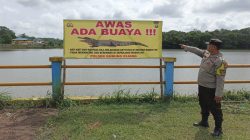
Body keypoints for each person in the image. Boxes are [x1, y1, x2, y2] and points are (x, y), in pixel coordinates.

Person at [180, 39, 227, 137]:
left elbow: (220, 79)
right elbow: (197, 50)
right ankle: (204, 122)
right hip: (202, 86)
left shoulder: (220, 61)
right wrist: (186, 47)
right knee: (203, 104)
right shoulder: (207, 54)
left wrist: (218, 94)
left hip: (211, 89)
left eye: (208, 45)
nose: (207, 46)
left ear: (213, 47)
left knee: (215, 109)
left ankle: (218, 128)